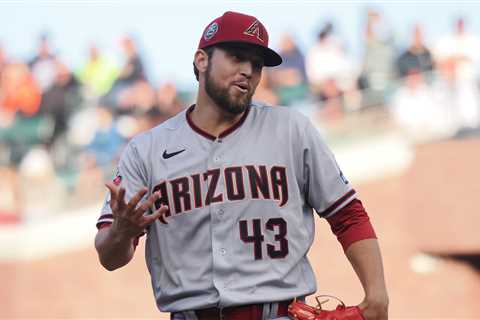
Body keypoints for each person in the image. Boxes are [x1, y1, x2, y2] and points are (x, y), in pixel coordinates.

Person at [94, 11, 389, 320]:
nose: (248, 70)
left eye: (256, 64)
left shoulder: (290, 129)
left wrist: (377, 296)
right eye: (236, 57)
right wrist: (120, 232)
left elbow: (347, 214)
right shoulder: (147, 150)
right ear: (201, 60)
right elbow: (110, 257)